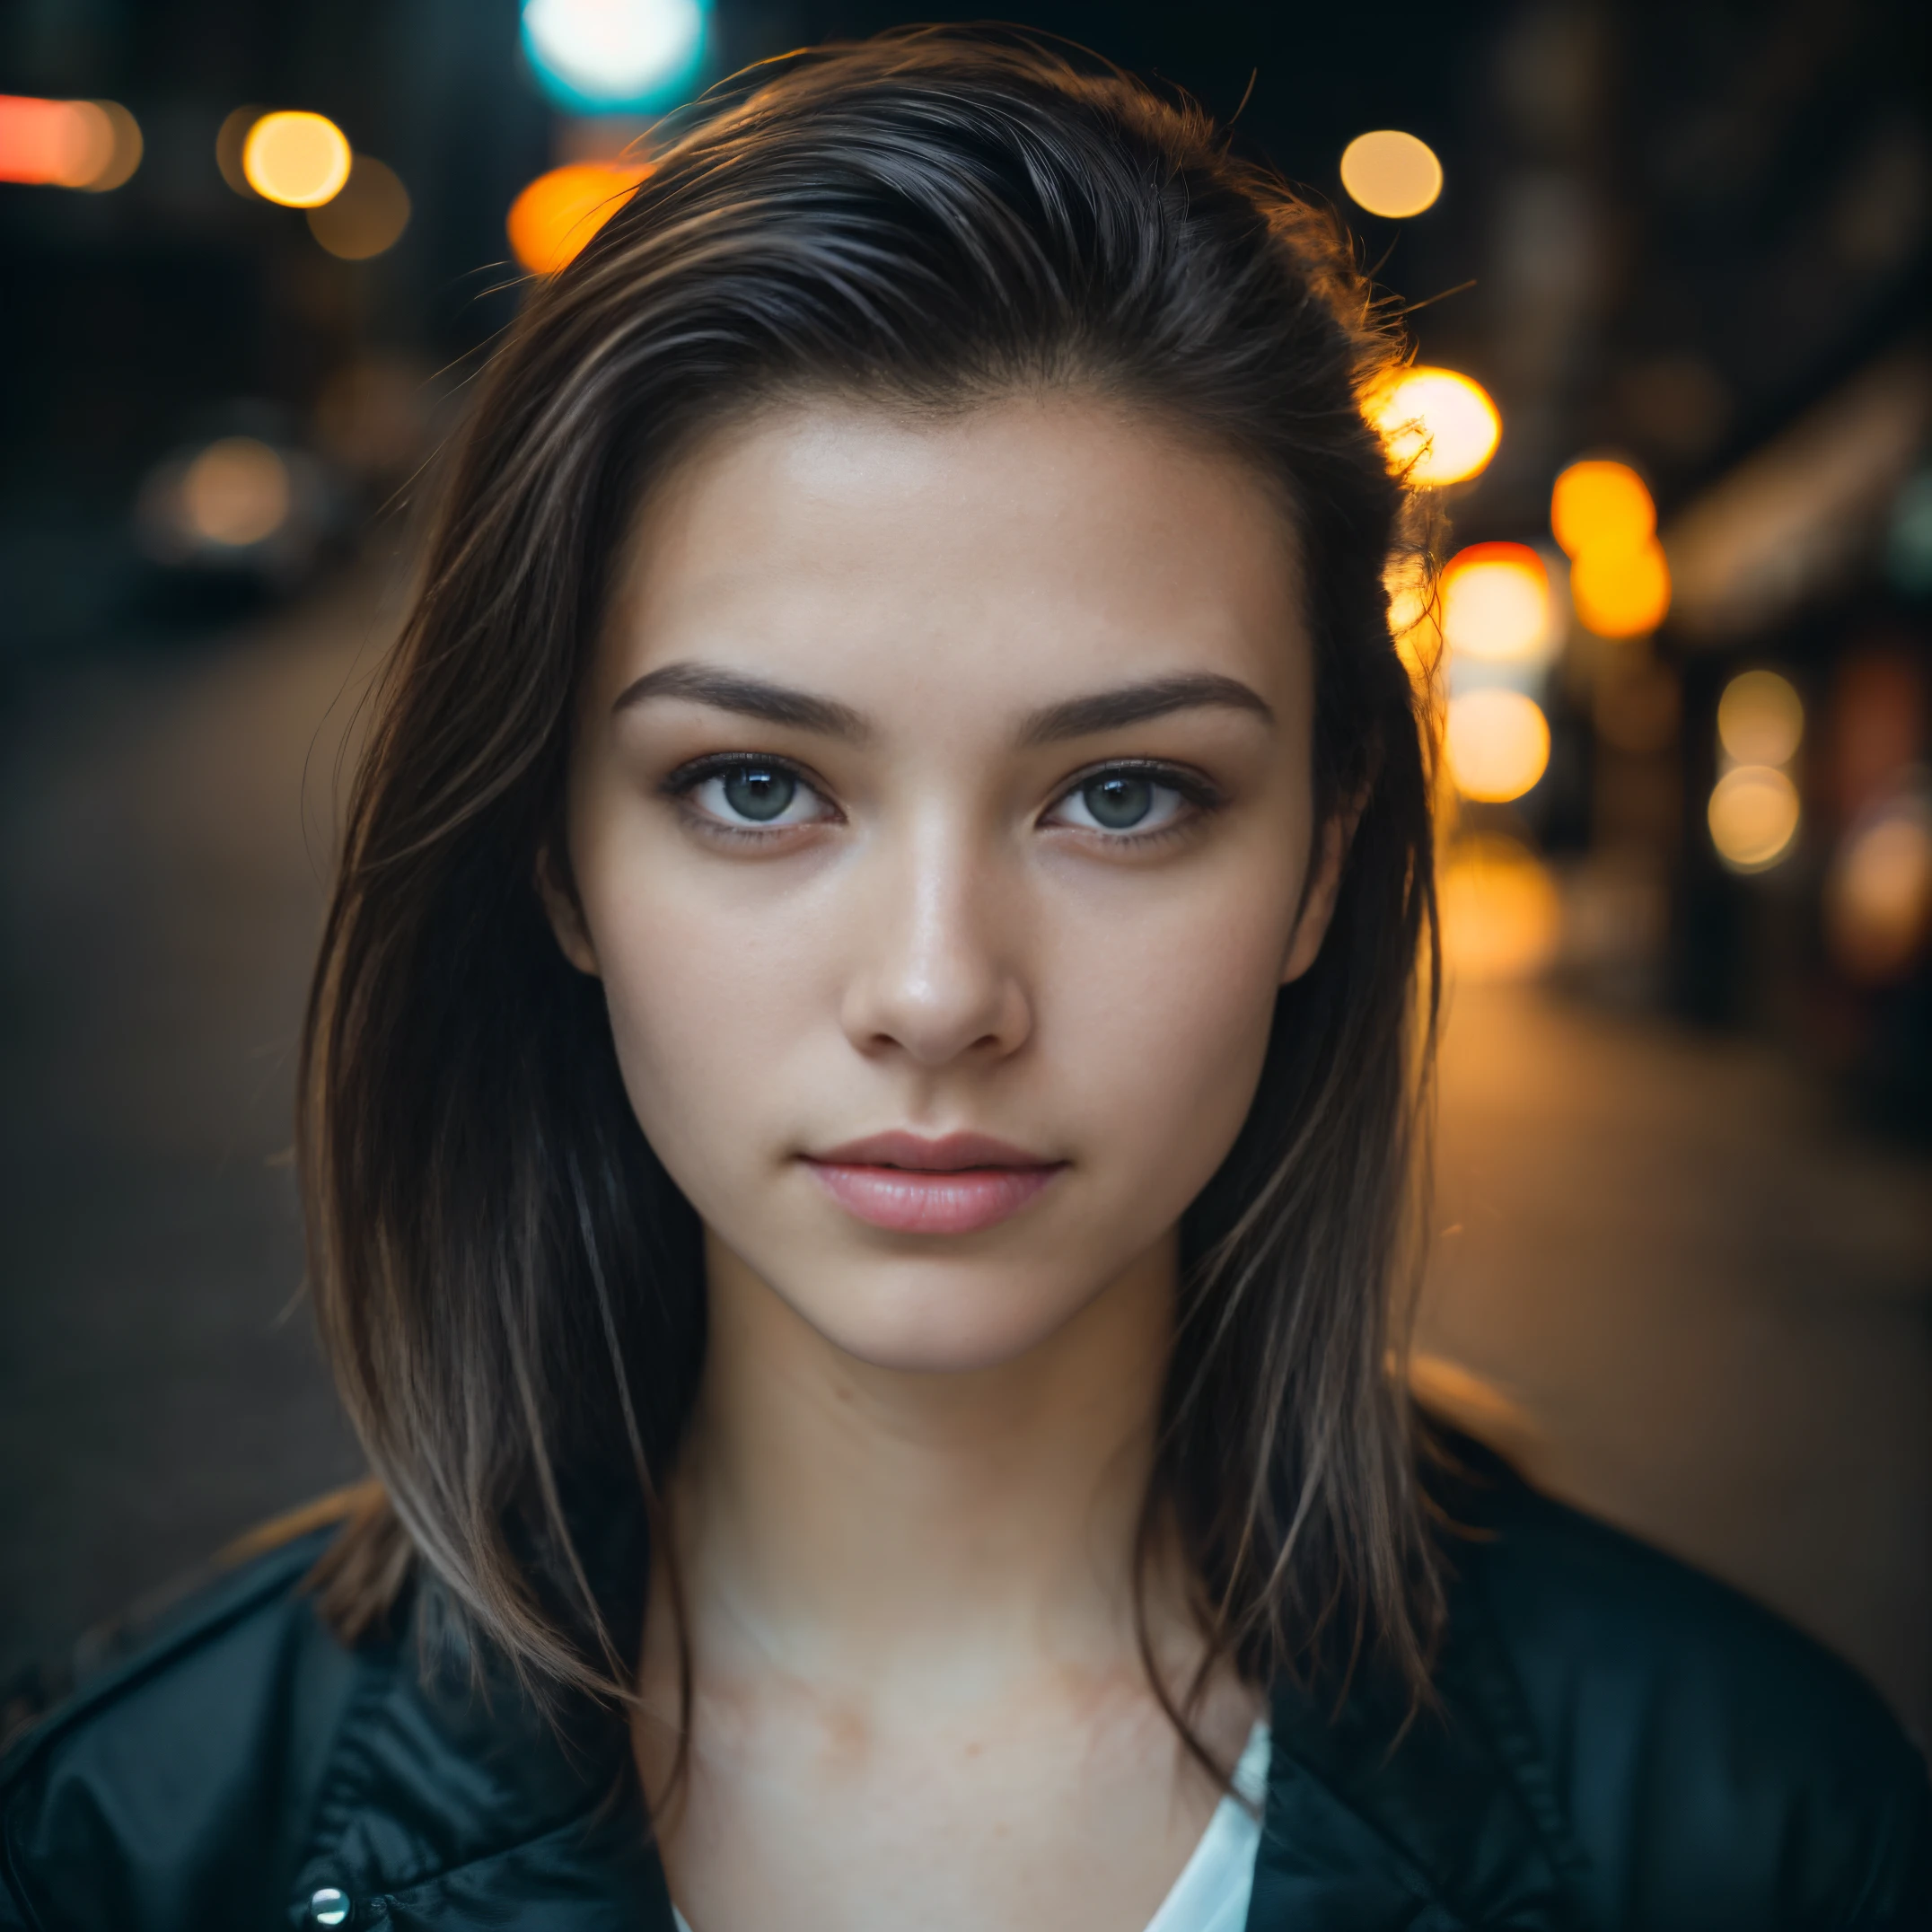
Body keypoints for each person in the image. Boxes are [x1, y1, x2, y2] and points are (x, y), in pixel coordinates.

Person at [2, 30, 1926, 1932]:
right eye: (753, 786)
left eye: (1120, 793)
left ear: (1325, 854)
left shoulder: (1758, 1833)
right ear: (554, 855)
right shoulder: (141, 1843)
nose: (936, 992)